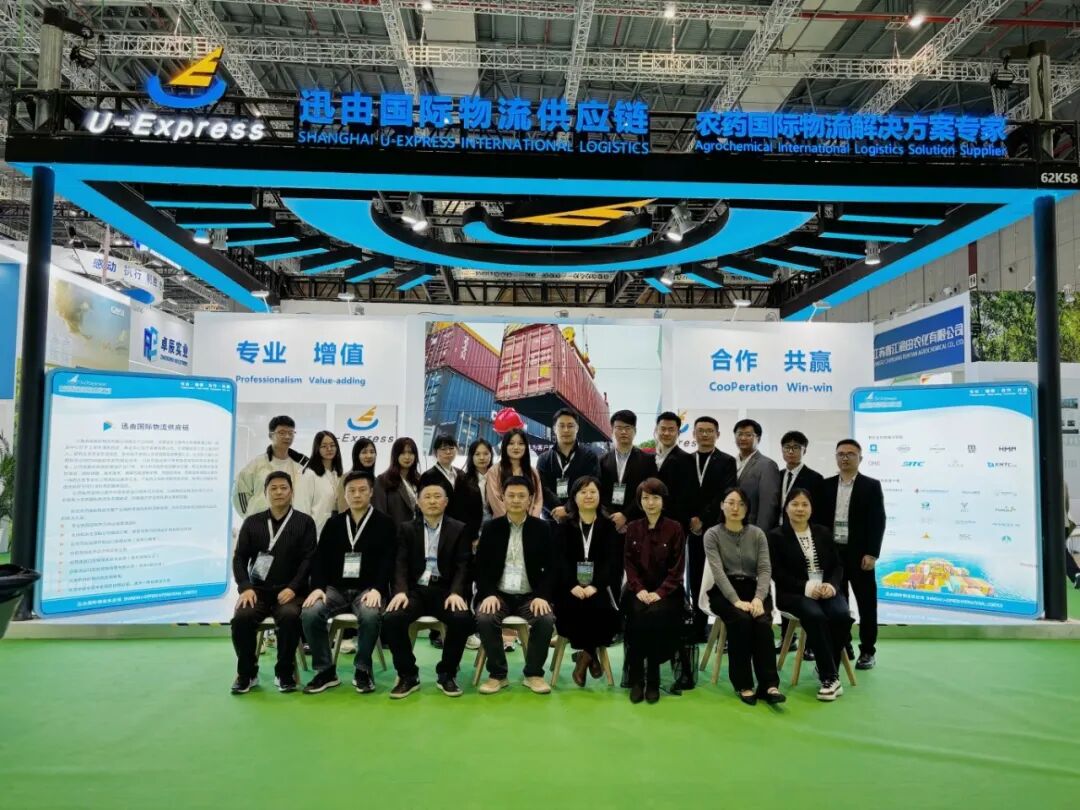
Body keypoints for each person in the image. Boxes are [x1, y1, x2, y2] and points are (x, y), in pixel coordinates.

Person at [300, 470, 396, 695]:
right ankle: (325, 671)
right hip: (335, 590)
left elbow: (388, 561)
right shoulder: (334, 523)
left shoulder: (385, 523)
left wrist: (378, 589)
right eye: (351, 491)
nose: (357, 495)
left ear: (371, 492)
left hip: (367, 590)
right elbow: (320, 559)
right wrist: (318, 588)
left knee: (370, 614)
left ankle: (362, 669)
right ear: (344, 495)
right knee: (310, 612)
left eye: (362, 490)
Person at [383, 472, 475, 698]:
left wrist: (456, 592)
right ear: (418, 501)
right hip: (416, 591)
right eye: (427, 497)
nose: (432, 501)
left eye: (437, 496)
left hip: (445, 591)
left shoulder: (458, 528)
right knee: (392, 618)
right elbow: (400, 563)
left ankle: (447, 673)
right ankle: (408, 674)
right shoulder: (406, 529)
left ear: (446, 502)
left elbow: (464, 565)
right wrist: (401, 591)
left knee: (462, 619)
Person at [229, 471, 316, 694]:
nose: (279, 492)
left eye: (283, 488)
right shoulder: (252, 522)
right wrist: (245, 587)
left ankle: (284, 673)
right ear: (265, 493)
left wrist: (293, 587)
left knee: (289, 616)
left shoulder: (305, 522)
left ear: (291, 492)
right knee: (241, 618)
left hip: (291, 591)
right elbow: (239, 558)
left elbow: (309, 560)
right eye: (273, 488)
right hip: (257, 591)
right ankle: (247, 673)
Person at [474, 475, 556, 695]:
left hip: (530, 595)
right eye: (511, 495)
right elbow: (480, 567)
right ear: (503, 498)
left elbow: (551, 568)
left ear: (530, 499)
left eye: (521, 496)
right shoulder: (491, 527)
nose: (516, 500)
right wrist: (488, 594)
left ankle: (534, 674)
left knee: (545, 619)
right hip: (499, 594)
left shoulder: (542, 528)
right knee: (485, 617)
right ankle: (498, 675)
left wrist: (542, 596)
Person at [768, 489, 852, 701]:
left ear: (811, 508)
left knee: (842, 615)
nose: (800, 509)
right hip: (794, 593)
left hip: (825, 590)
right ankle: (830, 678)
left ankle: (825, 666)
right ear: (786, 507)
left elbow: (837, 566)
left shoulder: (823, 532)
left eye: (805, 504)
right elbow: (777, 573)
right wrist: (806, 587)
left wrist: (831, 586)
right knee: (815, 615)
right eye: (795, 504)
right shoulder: (775, 536)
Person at [703, 487, 784, 705]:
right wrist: (735, 600)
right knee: (741, 620)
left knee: (761, 622)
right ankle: (743, 683)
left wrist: (758, 598)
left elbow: (765, 569)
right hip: (724, 591)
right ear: (722, 505)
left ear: (747, 509)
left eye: (741, 504)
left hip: (754, 589)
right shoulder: (712, 534)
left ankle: (769, 685)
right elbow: (718, 572)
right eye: (730, 502)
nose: (735, 508)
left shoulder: (757, 534)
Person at [817, 439, 886, 670]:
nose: (845, 458)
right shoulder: (826, 485)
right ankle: (843, 644)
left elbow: (877, 521)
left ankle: (867, 650)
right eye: (841, 454)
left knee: (866, 603)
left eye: (850, 454)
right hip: (833, 554)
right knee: (838, 603)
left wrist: (872, 553)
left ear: (860, 458)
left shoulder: (871, 485)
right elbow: (819, 522)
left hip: (860, 555)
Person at [670, 415, 736, 642]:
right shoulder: (683, 461)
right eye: (701, 430)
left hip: (716, 528)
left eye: (710, 431)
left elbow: (725, 494)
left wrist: (703, 519)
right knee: (695, 576)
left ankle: (722, 629)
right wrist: (690, 520)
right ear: (694, 434)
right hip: (690, 528)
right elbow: (677, 494)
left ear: (717, 434)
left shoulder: (727, 461)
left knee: (719, 577)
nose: (705, 434)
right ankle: (698, 627)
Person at [623, 477, 686, 704]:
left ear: (663, 500)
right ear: (640, 501)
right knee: (638, 614)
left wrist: (659, 593)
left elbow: (677, 569)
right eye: (645, 498)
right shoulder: (633, 527)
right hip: (638, 590)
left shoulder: (675, 528)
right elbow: (629, 564)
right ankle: (637, 679)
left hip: (668, 591)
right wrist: (639, 589)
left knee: (655, 614)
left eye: (655, 497)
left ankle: (653, 678)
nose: (650, 503)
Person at [554, 476, 620, 687]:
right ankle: (591, 655)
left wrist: (594, 586)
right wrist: (572, 585)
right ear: (574, 497)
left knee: (602, 610)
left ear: (600, 496)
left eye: (593, 492)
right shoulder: (564, 526)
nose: (588, 496)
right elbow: (559, 560)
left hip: (598, 587)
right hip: (569, 588)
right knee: (575, 607)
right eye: (583, 492)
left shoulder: (608, 526)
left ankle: (585, 656)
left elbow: (611, 562)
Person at [232, 415, 309, 519]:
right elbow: (239, 492)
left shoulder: (301, 465)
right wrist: (251, 518)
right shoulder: (257, 464)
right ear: (270, 435)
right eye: (282, 432)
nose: (287, 436)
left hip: (292, 524)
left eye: (291, 433)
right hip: (261, 524)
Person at [537, 408, 601, 521]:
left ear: (577, 428)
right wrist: (557, 510)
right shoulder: (543, 459)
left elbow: (591, 487)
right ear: (554, 429)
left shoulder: (589, 457)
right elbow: (541, 489)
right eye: (561, 426)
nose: (566, 430)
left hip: (579, 519)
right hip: (551, 519)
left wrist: (567, 509)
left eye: (570, 426)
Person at [599, 409, 658, 532]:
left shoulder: (648, 460)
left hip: (638, 523)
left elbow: (649, 491)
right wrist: (613, 517)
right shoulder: (601, 461)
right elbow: (599, 491)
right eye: (619, 428)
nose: (623, 432)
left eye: (628, 428)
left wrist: (626, 515)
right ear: (612, 430)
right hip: (609, 524)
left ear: (635, 431)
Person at [732, 419, 781, 531]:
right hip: (729, 527)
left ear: (758, 438)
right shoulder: (730, 462)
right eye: (739, 434)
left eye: (748, 435)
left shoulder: (767, 465)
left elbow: (768, 505)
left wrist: (760, 533)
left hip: (751, 528)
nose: (743, 438)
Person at [486, 428, 543, 519]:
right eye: (511, 443)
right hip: (503, 524)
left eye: (521, 443)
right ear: (505, 446)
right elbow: (496, 502)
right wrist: (514, 521)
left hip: (530, 524)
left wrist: (530, 521)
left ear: (526, 447)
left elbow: (538, 501)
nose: (516, 447)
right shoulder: (494, 471)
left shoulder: (533, 472)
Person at [296, 430, 343, 538]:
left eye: (332, 445)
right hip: (315, 534)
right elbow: (301, 508)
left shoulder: (337, 474)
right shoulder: (309, 474)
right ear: (317, 448)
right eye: (324, 446)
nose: (329, 449)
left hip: (336, 533)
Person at [451, 438, 495, 547]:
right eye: (477, 454)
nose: (482, 457)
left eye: (486, 453)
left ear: (491, 455)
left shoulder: (498, 478)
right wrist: (472, 537)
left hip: (495, 532)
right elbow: (460, 512)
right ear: (471, 456)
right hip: (471, 536)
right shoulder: (463, 480)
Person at [778, 431, 824, 526]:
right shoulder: (777, 475)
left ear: (804, 451)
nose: (790, 451)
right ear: (782, 450)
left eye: (796, 447)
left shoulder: (815, 478)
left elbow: (817, 511)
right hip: (777, 529)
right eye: (787, 447)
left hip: (802, 528)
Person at [374, 437, 421, 526]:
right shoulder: (383, 480)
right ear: (395, 455)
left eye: (410, 453)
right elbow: (380, 513)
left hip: (418, 532)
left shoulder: (420, 479)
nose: (407, 457)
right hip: (395, 532)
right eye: (403, 453)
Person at [335, 437, 378, 513]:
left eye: (372, 452)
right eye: (364, 452)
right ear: (356, 455)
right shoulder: (346, 478)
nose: (369, 456)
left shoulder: (376, 480)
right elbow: (342, 509)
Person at [653, 411, 688, 491]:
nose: (666, 433)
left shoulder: (686, 459)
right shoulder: (649, 458)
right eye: (663, 429)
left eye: (671, 430)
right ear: (657, 430)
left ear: (678, 433)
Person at [431, 434, 462, 509]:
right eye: (443, 449)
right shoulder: (428, 476)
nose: (448, 452)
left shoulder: (461, 474)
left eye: (451, 448)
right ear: (435, 452)